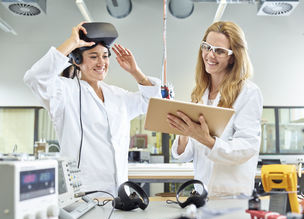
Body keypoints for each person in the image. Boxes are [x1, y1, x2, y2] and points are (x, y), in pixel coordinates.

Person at [24, 22, 161, 195]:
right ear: (77, 61)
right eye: (94, 56)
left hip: (119, 193)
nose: (101, 62)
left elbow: (152, 103)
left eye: (105, 56)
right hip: (84, 194)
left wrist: (135, 71)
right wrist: (72, 43)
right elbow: (35, 78)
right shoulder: (65, 92)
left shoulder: (118, 96)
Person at [167, 21, 263, 197]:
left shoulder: (248, 93)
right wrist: (183, 134)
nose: (210, 55)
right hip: (201, 191)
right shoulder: (199, 93)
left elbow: (247, 147)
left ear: (233, 57)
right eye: (207, 47)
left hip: (231, 195)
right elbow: (189, 154)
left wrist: (207, 140)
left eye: (219, 51)